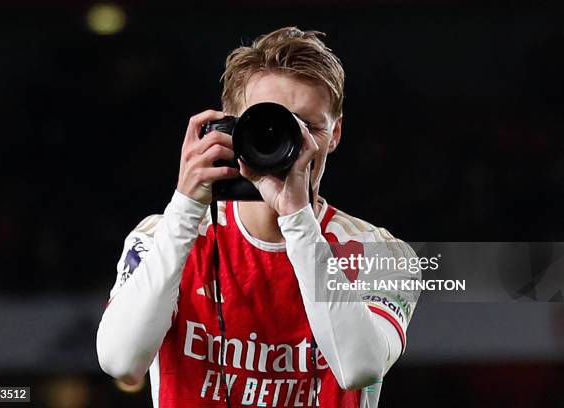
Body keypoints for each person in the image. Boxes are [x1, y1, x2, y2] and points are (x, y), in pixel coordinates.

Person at [96, 26, 419, 407]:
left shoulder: (379, 253)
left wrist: (297, 219)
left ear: (335, 134)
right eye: (269, 126)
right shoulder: (162, 237)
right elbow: (121, 362)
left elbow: (358, 368)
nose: (290, 145)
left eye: (309, 128)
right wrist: (184, 207)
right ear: (231, 128)